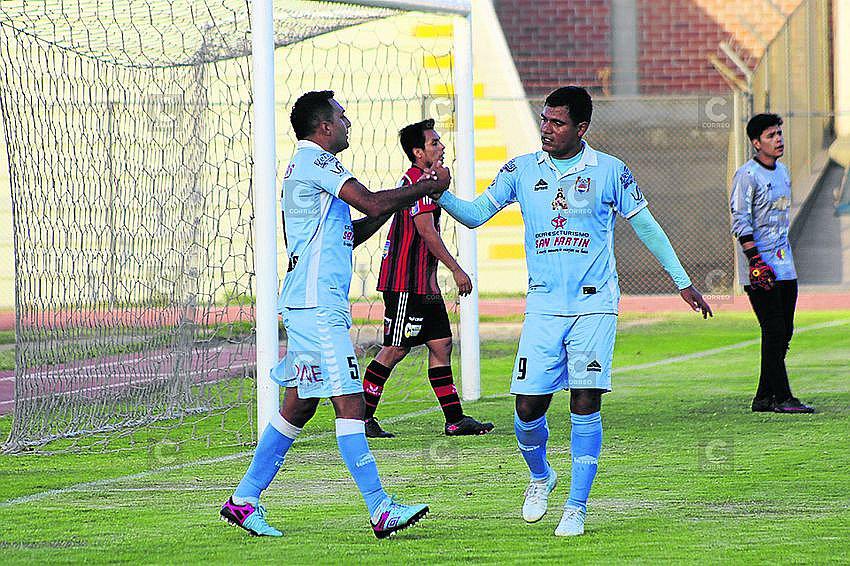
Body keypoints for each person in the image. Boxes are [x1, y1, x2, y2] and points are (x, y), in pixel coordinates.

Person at [435, 86, 713, 536]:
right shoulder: (522, 170)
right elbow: (474, 214)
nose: (546, 128)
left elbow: (646, 225)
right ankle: (542, 476)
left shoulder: (609, 171)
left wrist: (682, 281)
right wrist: (440, 192)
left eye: (557, 122)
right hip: (544, 306)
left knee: (585, 399)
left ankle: (577, 507)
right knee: (527, 408)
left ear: (581, 128)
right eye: (544, 119)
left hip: (594, 304)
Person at [219, 90, 451, 539]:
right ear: (325, 126)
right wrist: (427, 186)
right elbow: (371, 203)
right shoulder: (316, 161)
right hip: (317, 305)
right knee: (350, 402)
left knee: (299, 405)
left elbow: (356, 226)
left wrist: (397, 201)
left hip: (311, 302)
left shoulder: (305, 166)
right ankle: (380, 508)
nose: (348, 124)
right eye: (342, 118)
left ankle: (244, 500)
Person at [362, 119, 494, 438]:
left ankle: (454, 419)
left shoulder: (425, 183)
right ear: (418, 152)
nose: (442, 146)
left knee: (441, 343)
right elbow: (426, 232)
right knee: (395, 349)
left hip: (423, 283)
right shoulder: (417, 182)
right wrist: (457, 269)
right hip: (405, 283)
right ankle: (362, 418)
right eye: (434, 143)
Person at [729, 113, 814, 414]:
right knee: (774, 329)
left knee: (784, 331)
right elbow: (740, 220)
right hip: (760, 266)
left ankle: (763, 397)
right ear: (755, 143)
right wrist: (755, 260)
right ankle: (783, 397)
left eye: (779, 133)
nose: (778, 139)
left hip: (784, 263)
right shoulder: (747, 176)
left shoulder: (783, 172)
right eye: (770, 135)